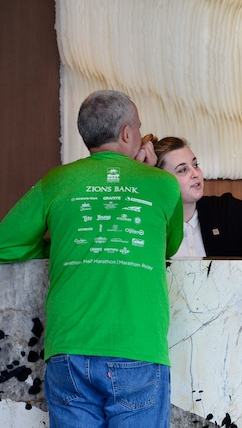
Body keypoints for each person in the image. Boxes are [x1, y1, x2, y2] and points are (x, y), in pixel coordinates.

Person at [0, 90, 184, 427]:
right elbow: (168, 246)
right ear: (128, 133)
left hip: (68, 350)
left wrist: (61, 246)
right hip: (138, 349)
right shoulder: (165, 186)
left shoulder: (56, 182)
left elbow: (4, 243)